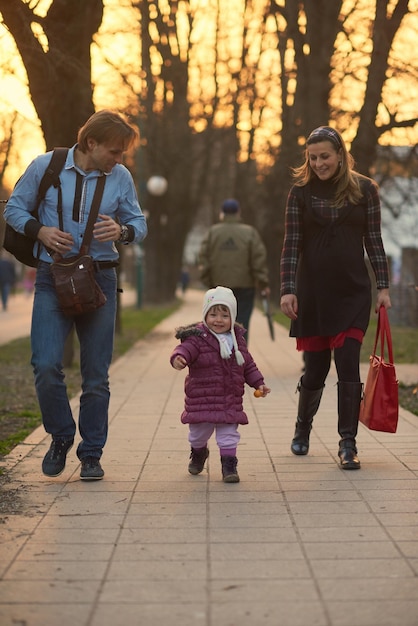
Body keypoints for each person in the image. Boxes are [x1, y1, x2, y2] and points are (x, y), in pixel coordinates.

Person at [4, 109, 147, 480]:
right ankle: (61, 435)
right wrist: (40, 231)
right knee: (46, 365)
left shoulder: (120, 177)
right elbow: (14, 209)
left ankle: (92, 453)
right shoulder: (45, 166)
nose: (120, 159)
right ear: (91, 143)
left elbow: (138, 223)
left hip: (100, 280)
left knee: (96, 375)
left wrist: (122, 231)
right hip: (54, 277)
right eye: (115, 152)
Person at [280, 125, 391, 470]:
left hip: (352, 293)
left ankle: (347, 443)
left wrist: (383, 286)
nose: (318, 163)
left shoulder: (365, 190)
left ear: (340, 155)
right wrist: (288, 289)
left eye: (325, 156)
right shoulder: (300, 192)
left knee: (347, 364)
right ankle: (303, 428)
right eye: (312, 158)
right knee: (315, 370)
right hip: (313, 293)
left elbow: (374, 240)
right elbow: (291, 245)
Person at [170, 286, 270, 483]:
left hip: (229, 399)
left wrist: (258, 383)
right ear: (205, 315)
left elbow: (247, 364)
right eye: (213, 314)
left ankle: (229, 465)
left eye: (225, 315)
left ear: (232, 317)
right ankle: (199, 453)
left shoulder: (237, 340)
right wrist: (178, 358)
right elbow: (184, 349)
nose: (218, 320)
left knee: (228, 435)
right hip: (202, 399)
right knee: (198, 435)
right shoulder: (197, 338)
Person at [198, 198, 270, 343]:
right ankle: (240, 358)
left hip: (218, 287)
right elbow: (258, 259)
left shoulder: (213, 232)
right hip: (245, 286)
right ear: (238, 212)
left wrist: (208, 282)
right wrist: (263, 283)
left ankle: (219, 357)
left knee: (217, 323)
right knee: (241, 324)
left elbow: (203, 258)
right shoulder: (250, 232)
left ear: (222, 213)